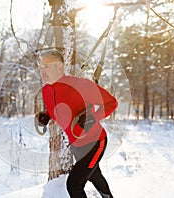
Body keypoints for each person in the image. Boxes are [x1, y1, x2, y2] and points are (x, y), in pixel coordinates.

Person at [35, 49, 117, 198]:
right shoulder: (46, 90)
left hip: (95, 142)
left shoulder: (80, 85)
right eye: (41, 67)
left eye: (47, 66)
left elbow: (111, 102)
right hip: (76, 145)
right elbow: (58, 109)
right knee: (94, 175)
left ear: (60, 67)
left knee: (73, 186)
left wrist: (93, 117)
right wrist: (46, 116)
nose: (42, 71)